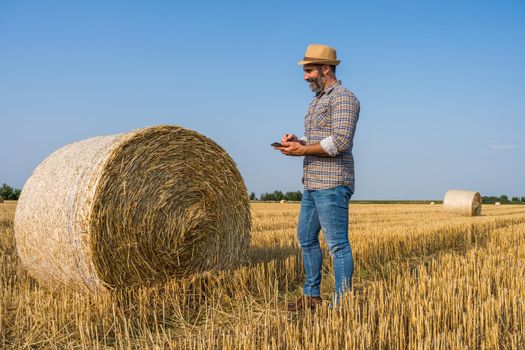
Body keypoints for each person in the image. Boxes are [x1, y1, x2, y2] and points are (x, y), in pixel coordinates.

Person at [274, 44, 360, 311]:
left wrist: (302, 150)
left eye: (309, 70)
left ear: (326, 68)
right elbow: (320, 140)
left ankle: (342, 303)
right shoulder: (317, 101)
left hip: (332, 183)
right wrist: (298, 141)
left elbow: (341, 142)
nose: (305, 76)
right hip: (312, 183)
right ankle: (311, 296)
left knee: (337, 246)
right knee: (306, 239)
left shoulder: (343, 98)